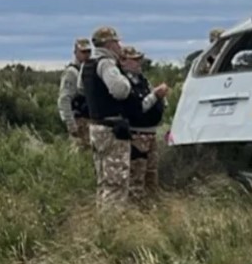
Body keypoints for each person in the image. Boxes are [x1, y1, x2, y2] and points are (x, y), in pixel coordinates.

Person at [79, 26, 133, 209]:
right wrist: (127, 78)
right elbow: (120, 90)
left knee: (103, 181)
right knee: (116, 183)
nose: (119, 46)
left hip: (96, 127)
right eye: (117, 42)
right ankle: (112, 229)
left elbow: (81, 89)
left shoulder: (87, 65)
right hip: (112, 129)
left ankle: (101, 223)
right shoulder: (106, 63)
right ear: (109, 44)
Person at [119, 46, 169, 201]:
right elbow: (138, 107)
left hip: (150, 131)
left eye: (139, 59)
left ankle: (151, 207)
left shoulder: (142, 79)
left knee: (151, 173)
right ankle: (136, 208)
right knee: (137, 175)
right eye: (134, 59)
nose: (138, 63)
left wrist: (161, 98)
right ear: (123, 61)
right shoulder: (123, 82)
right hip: (137, 133)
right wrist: (155, 95)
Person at [58, 38, 92, 149]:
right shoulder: (72, 72)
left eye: (88, 52)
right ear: (75, 52)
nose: (86, 55)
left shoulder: (89, 70)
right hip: (79, 121)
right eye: (83, 52)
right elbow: (64, 99)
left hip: (90, 121)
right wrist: (71, 124)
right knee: (79, 154)